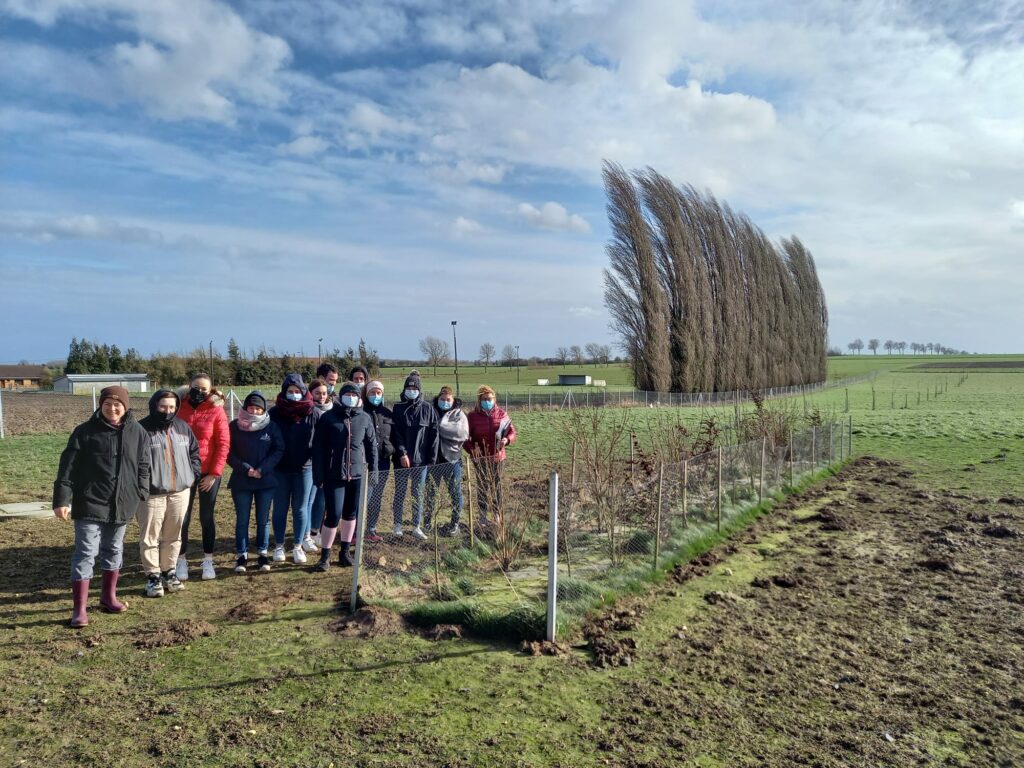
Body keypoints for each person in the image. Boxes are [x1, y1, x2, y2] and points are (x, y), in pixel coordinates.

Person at [53, 386, 150, 628]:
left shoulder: (137, 432)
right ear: (100, 405)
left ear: (125, 406)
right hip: (90, 502)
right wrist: (62, 500)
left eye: (118, 404)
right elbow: (67, 468)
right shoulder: (84, 432)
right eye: (107, 404)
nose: (112, 408)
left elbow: (143, 464)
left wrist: (141, 492)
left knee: (114, 549)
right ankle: (80, 609)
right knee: (86, 553)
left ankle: (108, 597)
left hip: (123, 502)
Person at [137, 389, 201, 598]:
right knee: (150, 536)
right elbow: (134, 460)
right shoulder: (142, 429)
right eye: (163, 406)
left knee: (174, 534)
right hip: (152, 493)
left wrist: (193, 475)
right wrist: (143, 485)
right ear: (155, 405)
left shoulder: (183, 427)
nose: (167, 411)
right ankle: (153, 576)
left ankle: (169, 571)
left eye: (172, 407)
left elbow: (194, 453)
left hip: (180, 491)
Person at [311, 382, 377, 571]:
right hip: (334, 475)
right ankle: (325, 556)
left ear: (358, 398)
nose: (350, 397)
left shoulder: (364, 418)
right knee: (333, 514)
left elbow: (372, 446)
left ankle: (345, 552)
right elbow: (318, 449)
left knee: (350, 514)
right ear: (340, 397)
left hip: (356, 475)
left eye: (353, 394)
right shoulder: (328, 418)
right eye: (346, 394)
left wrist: (374, 473)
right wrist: (319, 475)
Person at [174, 372, 229, 582]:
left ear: (210, 390)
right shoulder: (179, 407)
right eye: (196, 387)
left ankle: (208, 560)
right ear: (189, 386)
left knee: (206, 517)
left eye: (204, 389)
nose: (200, 391)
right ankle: (181, 560)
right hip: (183, 472)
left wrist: (214, 474)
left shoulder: (216, 410)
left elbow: (223, 444)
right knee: (182, 518)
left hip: (208, 473)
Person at [228, 392, 284, 573]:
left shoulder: (271, 427)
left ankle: (262, 553)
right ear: (245, 408)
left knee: (263, 520)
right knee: (242, 519)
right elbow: (228, 452)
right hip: (241, 481)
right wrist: (245, 468)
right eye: (251, 407)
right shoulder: (234, 427)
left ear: (263, 410)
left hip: (265, 481)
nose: (254, 411)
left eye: (258, 408)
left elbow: (278, 449)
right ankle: (241, 555)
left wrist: (261, 469)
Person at [269, 373, 319, 564]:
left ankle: (298, 546)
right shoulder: (274, 413)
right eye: (290, 391)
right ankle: (279, 546)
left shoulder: (312, 412)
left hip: (305, 469)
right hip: (280, 470)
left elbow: (321, 440)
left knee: (300, 509)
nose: (294, 394)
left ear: (304, 392)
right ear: (284, 392)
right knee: (280, 509)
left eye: (297, 391)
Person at [390, 373, 438, 539]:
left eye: (414, 388)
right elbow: (395, 434)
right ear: (404, 389)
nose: (411, 391)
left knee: (418, 493)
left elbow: (434, 434)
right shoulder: (398, 408)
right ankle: (397, 525)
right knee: (400, 493)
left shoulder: (428, 409)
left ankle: (416, 526)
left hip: (421, 460)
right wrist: (402, 453)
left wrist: (431, 459)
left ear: (419, 390)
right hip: (401, 459)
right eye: (409, 388)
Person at [464, 385, 517, 524]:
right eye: (484, 399)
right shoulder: (472, 416)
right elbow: (464, 438)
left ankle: (497, 515)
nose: (487, 401)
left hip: (497, 457)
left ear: (494, 399)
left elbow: (512, 432)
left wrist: (507, 440)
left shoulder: (502, 414)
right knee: (482, 487)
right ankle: (482, 516)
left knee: (497, 485)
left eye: (490, 398)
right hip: (480, 458)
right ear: (479, 400)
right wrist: (471, 449)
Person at [425, 386, 468, 536]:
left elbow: (461, 433)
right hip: (433, 460)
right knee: (430, 493)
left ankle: (454, 523)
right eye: (442, 399)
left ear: (453, 400)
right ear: (438, 399)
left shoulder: (459, 415)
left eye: (448, 399)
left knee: (455, 493)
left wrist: (438, 428)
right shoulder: (430, 411)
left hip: (452, 460)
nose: (445, 402)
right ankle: (427, 522)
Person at [361, 378, 395, 542]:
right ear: (366, 395)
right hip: (364, 462)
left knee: (376, 497)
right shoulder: (360, 412)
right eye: (372, 393)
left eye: (378, 393)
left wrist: (397, 451)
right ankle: (355, 531)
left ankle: (371, 529)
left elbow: (394, 436)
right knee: (363, 497)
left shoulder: (387, 413)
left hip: (383, 461)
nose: (375, 395)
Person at [302, 377, 332, 548]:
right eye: (317, 393)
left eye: (324, 393)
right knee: (308, 500)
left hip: (325, 461)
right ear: (310, 393)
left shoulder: (331, 410)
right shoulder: (307, 411)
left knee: (321, 498)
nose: (321, 396)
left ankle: (315, 530)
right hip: (309, 461)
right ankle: (307, 534)